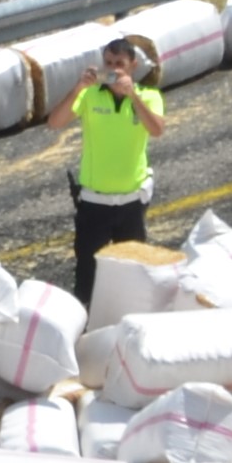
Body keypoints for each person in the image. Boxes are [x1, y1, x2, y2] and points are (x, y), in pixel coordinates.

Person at [65, 32, 163, 300]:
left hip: (131, 202)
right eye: (108, 63)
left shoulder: (149, 96)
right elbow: (55, 121)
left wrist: (133, 96)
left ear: (132, 66)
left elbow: (156, 129)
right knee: (88, 270)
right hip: (94, 202)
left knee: (132, 271)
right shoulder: (90, 96)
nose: (113, 69)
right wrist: (78, 88)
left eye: (119, 63)